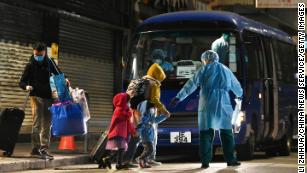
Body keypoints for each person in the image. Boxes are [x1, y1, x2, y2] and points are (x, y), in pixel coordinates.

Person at [170, 50, 243, 169]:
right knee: (226, 133)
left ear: (205, 59)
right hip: (224, 104)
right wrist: (239, 94)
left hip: (207, 103)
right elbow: (236, 86)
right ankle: (231, 160)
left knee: (206, 133)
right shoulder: (226, 70)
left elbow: (191, 84)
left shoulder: (203, 70)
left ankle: (205, 161)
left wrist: (179, 97)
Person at [19, 42, 64, 160]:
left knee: (47, 125)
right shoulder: (30, 64)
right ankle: (35, 149)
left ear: (44, 52)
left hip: (49, 97)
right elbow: (22, 82)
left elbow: (58, 74)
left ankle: (43, 149)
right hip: (35, 96)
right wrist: (26, 87)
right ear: (33, 52)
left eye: (40, 54)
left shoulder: (50, 62)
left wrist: (65, 80)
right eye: (36, 54)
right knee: (37, 124)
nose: (38, 56)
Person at [124, 63, 170, 166]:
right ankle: (129, 160)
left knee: (136, 137)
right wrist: (162, 109)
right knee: (139, 137)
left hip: (135, 110)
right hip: (146, 112)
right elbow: (154, 99)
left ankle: (132, 160)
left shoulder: (141, 81)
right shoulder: (153, 83)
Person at [101, 93, 137, 170]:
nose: (129, 103)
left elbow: (128, 123)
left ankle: (110, 160)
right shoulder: (119, 110)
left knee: (121, 149)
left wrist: (133, 131)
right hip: (117, 132)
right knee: (122, 148)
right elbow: (125, 117)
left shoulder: (125, 110)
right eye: (128, 101)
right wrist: (130, 113)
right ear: (124, 101)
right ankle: (117, 163)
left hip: (121, 133)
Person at [136, 100, 170, 168]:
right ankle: (140, 158)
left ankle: (143, 162)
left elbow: (155, 120)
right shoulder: (145, 116)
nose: (155, 110)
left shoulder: (150, 115)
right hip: (145, 136)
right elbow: (141, 124)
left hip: (149, 136)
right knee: (150, 149)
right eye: (154, 108)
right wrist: (138, 131)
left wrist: (165, 116)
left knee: (147, 149)